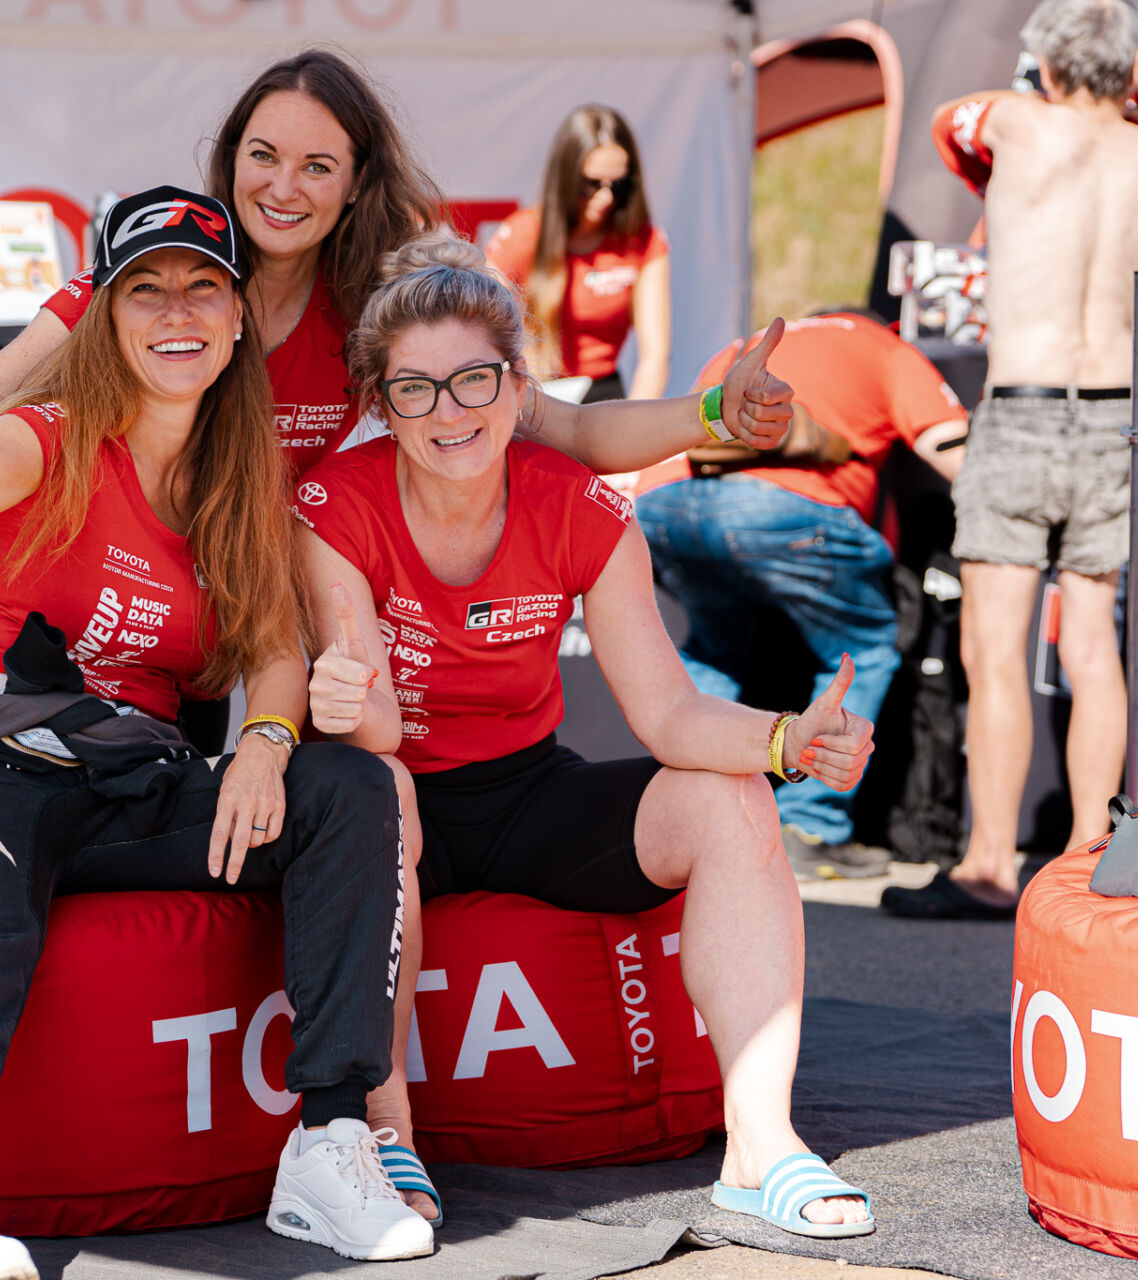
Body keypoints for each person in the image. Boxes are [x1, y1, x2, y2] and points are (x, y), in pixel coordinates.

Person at [0, 47, 797, 1224]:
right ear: (225, 164)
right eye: (262, 154)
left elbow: (545, 419)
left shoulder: (359, 330)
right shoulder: (133, 299)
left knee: (337, 780)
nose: (282, 184)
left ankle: (340, 1137)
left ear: (353, 188)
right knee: (45, 846)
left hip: (234, 628)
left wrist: (714, 416)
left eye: (316, 163)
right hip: (74, 684)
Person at [0, 192, 433, 1280]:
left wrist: (265, 738)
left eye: (203, 285)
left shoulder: (240, 476)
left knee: (349, 786)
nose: (178, 309)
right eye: (146, 288)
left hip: (135, 777)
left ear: (235, 318)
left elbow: (272, 643)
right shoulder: (53, 433)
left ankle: (330, 1140)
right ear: (108, 319)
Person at [297, 234, 878, 1240]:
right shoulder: (334, 507)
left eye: (475, 379)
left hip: (526, 786)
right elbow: (376, 725)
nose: (451, 410)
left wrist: (786, 741)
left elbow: (669, 715)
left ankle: (760, 1143)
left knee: (724, 794)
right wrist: (340, 698)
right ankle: (387, 1134)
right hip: (388, 788)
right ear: (380, 404)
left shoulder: (583, 506)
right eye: (417, 390)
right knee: (374, 782)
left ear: (520, 387)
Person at [881, 0, 1138, 921]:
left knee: (996, 651)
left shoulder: (1013, 120)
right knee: (1094, 645)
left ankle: (988, 866)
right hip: (1121, 416)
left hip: (1023, 408)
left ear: (1044, 67)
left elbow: (946, 133)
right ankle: (1093, 859)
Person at [634, 311, 968, 879]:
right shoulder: (877, 343)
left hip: (662, 506)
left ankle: (682, 816)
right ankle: (810, 824)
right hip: (782, 508)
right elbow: (951, 448)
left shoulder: (748, 341)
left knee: (718, 652)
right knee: (860, 649)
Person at [485, 104, 669, 402]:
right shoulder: (520, 233)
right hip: (536, 394)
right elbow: (481, 329)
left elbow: (655, 355)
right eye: (591, 184)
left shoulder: (644, 241)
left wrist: (634, 422)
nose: (606, 196)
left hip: (604, 396)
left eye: (618, 185)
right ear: (567, 177)